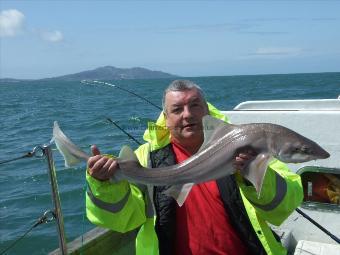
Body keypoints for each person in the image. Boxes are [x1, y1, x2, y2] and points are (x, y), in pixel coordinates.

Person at [86, 80, 303, 255]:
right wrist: (105, 185)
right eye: (177, 109)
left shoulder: (247, 147)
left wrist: (251, 173)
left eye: (195, 105)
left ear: (207, 109)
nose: (187, 114)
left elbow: (286, 204)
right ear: (166, 118)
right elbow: (123, 220)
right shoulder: (144, 158)